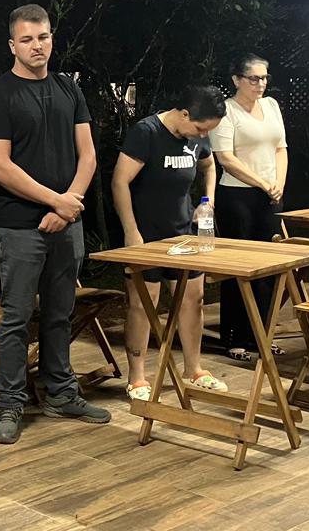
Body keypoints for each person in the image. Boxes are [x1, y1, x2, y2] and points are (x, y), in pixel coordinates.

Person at [0, 3, 109, 446]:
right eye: (27, 39)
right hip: (20, 227)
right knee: (17, 318)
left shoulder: (68, 88)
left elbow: (88, 155)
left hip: (66, 223)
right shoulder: (0, 95)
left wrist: (68, 206)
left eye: (44, 37)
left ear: (52, 39)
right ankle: (10, 404)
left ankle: (61, 392)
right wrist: (56, 202)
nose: (37, 46)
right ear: (12, 45)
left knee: (59, 313)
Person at [111, 85, 228, 402]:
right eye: (201, 128)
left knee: (193, 298)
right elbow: (120, 181)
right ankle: (137, 377)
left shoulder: (198, 136)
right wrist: (131, 231)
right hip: (146, 232)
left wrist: (208, 201)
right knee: (142, 303)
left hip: (183, 232)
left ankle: (194, 369)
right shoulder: (147, 132)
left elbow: (209, 165)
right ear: (185, 114)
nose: (203, 135)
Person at [209, 54, 288, 361]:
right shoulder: (227, 111)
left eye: (264, 78)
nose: (260, 84)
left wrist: (278, 184)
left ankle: (262, 335)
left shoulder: (271, 106)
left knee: (268, 267)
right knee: (239, 266)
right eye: (254, 78)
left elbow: (281, 148)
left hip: (270, 196)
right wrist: (262, 183)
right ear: (237, 79)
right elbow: (226, 158)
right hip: (237, 196)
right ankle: (235, 337)